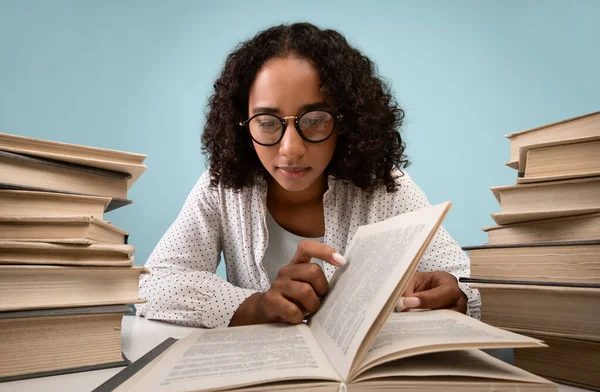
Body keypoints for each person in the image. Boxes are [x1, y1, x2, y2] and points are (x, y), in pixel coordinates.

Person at [137, 22, 481, 328]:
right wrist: (256, 307)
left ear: (346, 121)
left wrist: (457, 296)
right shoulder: (224, 185)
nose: (290, 149)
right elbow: (154, 284)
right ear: (241, 125)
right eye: (268, 122)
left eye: (314, 120)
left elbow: (468, 284)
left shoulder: (384, 187)